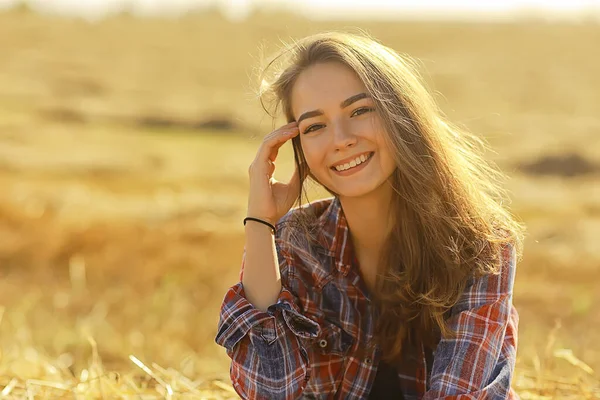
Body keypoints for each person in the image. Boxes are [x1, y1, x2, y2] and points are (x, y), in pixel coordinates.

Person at [215, 31, 526, 399]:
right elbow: (268, 391)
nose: (341, 138)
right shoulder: (292, 243)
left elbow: (460, 392)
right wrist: (261, 224)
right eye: (315, 126)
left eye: (360, 110)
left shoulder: (478, 243)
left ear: (402, 115)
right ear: (298, 146)